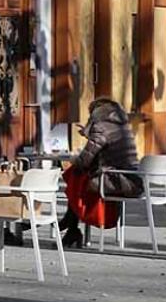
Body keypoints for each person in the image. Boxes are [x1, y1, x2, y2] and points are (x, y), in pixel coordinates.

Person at [59, 98, 143, 249]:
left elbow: (85, 159)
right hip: (130, 178)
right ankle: (71, 227)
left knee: (75, 174)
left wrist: (73, 159)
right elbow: (104, 145)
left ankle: (70, 225)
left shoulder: (101, 126)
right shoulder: (121, 124)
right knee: (77, 176)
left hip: (116, 180)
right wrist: (88, 133)